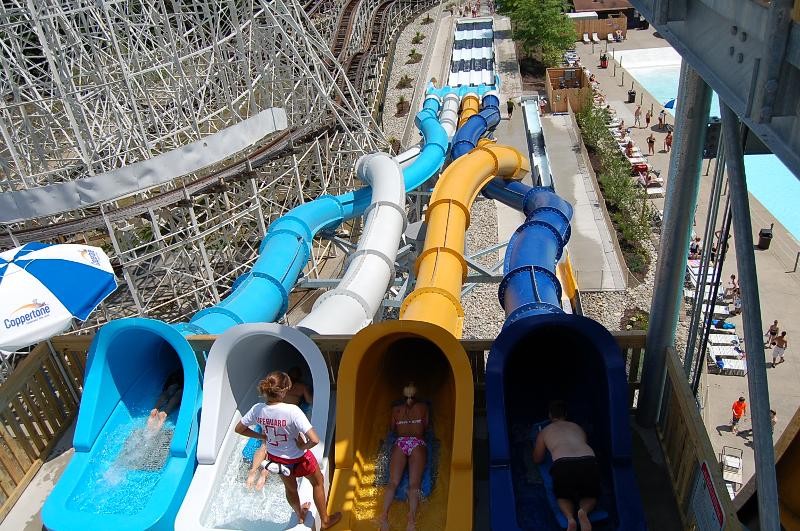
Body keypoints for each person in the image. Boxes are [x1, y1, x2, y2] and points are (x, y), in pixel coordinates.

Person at [235, 371, 341, 529]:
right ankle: (325, 521)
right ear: (285, 390)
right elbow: (315, 440)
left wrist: (262, 436)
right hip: (299, 458)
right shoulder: (292, 411)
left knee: (290, 489)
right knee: (318, 483)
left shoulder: (257, 409)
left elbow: (239, 429)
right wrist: (302, 446)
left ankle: (299, 515)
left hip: (276, 459)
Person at [533, 401, 600, 531]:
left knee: (563, 496)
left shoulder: (545, 431)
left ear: (550, 415)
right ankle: (583, 512)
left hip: (564, 463)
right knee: (590, 495)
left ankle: (570, 518)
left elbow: (537, 459)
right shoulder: (577, 427)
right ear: (566, 415)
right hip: (589, 460)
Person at [379, 382, 429, 531]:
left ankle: (384, 518)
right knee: (414, 484)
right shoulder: (423, 408)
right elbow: (426, 427)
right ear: (416, 395)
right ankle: (411, 521)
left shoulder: (396, 410)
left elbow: (392, 429)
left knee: (392, 482)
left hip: (400, 443)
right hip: (417, 443)